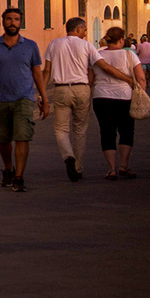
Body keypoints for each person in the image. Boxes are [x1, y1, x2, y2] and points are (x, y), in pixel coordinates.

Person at [0, 7, 48, 192]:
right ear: (3, 22)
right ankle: (8, 168)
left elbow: (37, 73)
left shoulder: (30, 46)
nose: (12, 22)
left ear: (21, 22)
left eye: (16, 19)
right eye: (9, 19)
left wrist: (44, 98)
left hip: (24, 98)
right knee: (3, 139)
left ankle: (19, 177)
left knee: (22, 136)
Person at [43, 17, 101, 182]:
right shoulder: (87, 45)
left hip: (61, 89)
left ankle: (68, 156)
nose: (85, 33)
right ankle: (78, 168)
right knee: (80, 130)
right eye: (84, 30)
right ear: (78, 29)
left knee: (61, 129)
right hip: (81, 88)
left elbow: (46, 71)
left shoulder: (54, 44)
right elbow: (97, 66)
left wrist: (42, 94)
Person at [93, 27, 146, 179]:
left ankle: (111, 169)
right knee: (126, 131)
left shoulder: (98, 55)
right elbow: (141, 77)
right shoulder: (130, 54)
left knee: (107, 132)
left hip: (101, 97)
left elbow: (90, 77)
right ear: (121, 40)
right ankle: (123, 165)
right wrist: (141, 93)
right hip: (124, 97)